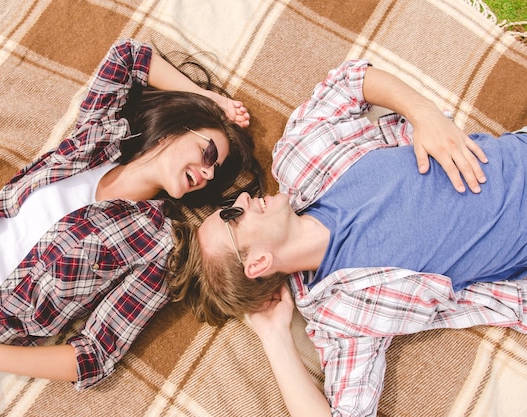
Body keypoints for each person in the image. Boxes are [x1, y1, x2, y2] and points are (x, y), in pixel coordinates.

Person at [0, 38, 261, 393]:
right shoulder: (99, 140)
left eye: (215, 172)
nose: (208, 173)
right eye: (209, 153)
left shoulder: (157, 246)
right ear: (175, 130)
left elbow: (94, 354)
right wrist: (211, 101)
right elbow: (128, 56)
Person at [189, 59, 527, 416]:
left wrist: (425, 114)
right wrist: (275, 339)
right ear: (258, 262)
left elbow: (350, 80)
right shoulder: (343, 315)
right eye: (232, 216)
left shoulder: (301, 157)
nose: (242, 199)